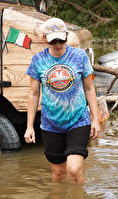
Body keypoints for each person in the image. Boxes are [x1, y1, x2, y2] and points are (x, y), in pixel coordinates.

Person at [25, 17, 101, 183]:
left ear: (67, 36)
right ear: (44, 39)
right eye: (53, 41)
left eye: (61, 40)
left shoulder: (80, 57)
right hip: (51, 123)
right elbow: (33, 94)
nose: (58, 45)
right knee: (58, 175)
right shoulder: (38, 60)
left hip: (78, 121)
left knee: (74, 170)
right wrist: (29, 126)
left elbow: (89, 88)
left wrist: (96, 120)